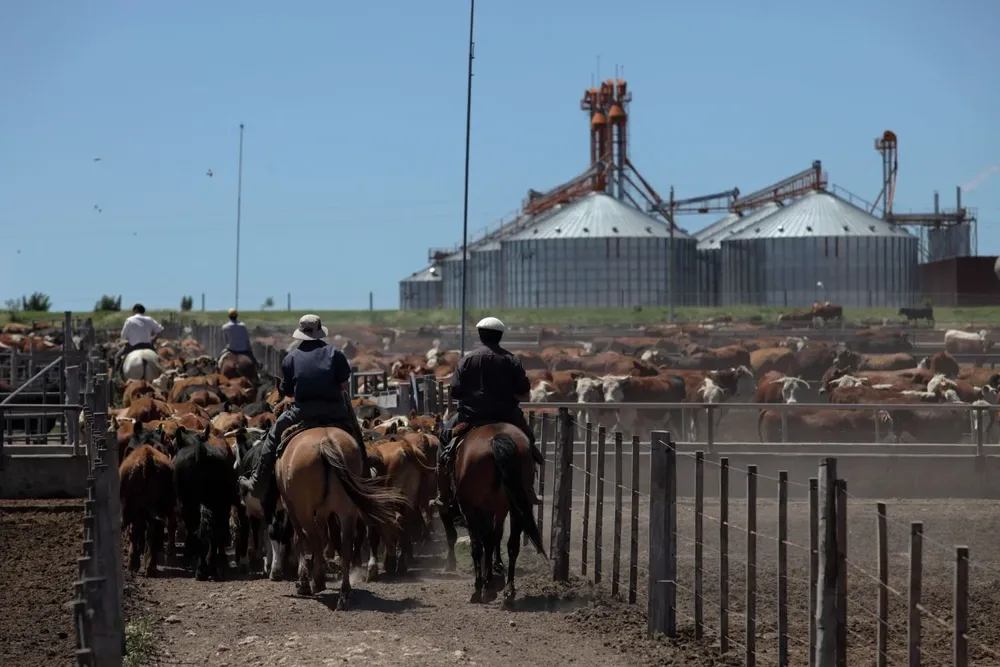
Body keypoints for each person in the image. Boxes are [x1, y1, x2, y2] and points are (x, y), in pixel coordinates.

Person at [238, 314, 367, 504]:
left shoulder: (291, 358)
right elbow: (344, 386)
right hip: (334, 410)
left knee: (272, 437)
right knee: (356, 433)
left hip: (302, 411)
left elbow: (288, 392)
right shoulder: (335, 353)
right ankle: (367, 471)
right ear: (320, 331)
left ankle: (257, 482)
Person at [431, 316, 543, 509]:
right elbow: (524, 392)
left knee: (444, 441)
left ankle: (443, 494)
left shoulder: (467, 360)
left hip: (471, 417)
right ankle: (529, 488)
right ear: (500, 336)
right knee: (529, 442)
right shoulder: (512, 360)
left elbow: (455, 391)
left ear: (480, 336)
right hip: (508, 416)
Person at [115, 304, 164, 378]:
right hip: (148, 346)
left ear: (135, 310)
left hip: (133, 346)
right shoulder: (149, 319)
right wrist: (153, 339)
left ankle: (116, 377)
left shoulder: (129, 320)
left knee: (117, 356)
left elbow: (123, 336)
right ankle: (163, 375)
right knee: (158, 360)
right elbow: (160, 330)